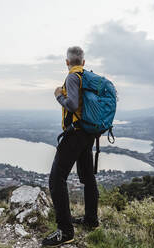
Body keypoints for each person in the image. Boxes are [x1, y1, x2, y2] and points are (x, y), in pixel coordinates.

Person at [42, 46, 99, 247]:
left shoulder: (73, 77)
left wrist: (58, 95)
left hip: (75, 133)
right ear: (83, 62)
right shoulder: (87, 77)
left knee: (57, 179)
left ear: (67, 62)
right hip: (87, 132)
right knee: (87, 177)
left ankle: (65, 232)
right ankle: (92, 220)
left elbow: (73, 105)